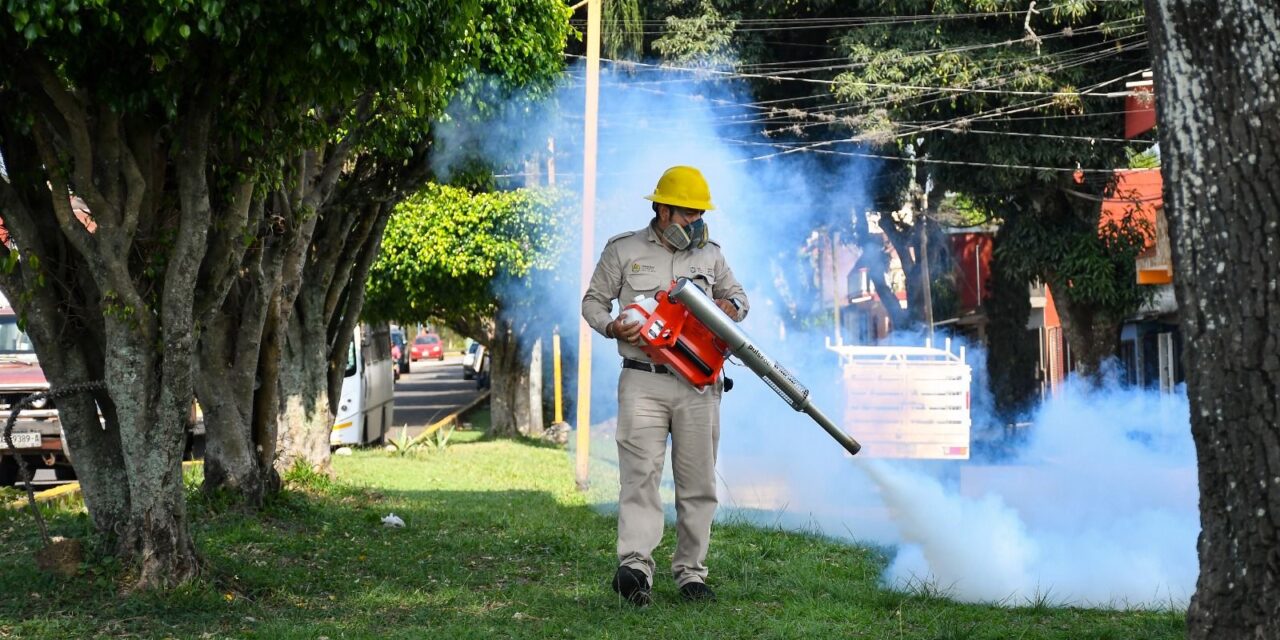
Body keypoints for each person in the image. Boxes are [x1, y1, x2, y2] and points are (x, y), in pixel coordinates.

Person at [581, 165, 749, 606]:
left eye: (698, 214)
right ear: (661, 208)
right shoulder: (623, 250)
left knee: (697, 484)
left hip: (699, 387)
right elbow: (593, 301)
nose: (693, 222)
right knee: (640, 478)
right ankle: (635, 570)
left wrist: (726, 308)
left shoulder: (711, 255)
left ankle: (691, 575)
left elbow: (740, 300)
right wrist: (612, 326)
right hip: (643, 382)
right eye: (685, 214)